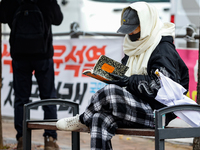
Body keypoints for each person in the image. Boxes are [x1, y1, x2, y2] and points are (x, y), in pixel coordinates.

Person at [56, 1, 189, 150]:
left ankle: (82, 119)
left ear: (146, 24)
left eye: (133, 29)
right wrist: (116, 76)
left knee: (111, 92)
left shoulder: (163, 49)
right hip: (135, 105)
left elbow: (163, 87)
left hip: (158, 113)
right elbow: (128, 77)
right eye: (128, 30)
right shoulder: (134, 45)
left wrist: (129, 81)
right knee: (99, 118)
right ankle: (88, 118)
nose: (130, 33)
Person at [0, 0, 63, 149]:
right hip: (43, 55)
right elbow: (58, 19)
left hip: (19, 55)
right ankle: (50, 139)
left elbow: (2, 16)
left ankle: (22, 139)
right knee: (48, 97)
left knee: (21, 99)